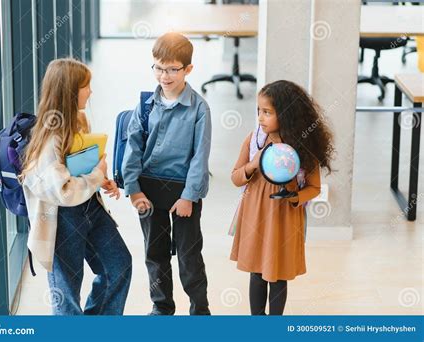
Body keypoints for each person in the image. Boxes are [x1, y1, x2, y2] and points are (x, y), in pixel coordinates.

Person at [21, 58, 132, 315]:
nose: (91, 91)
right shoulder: (49, 137)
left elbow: (80, 168)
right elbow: (63, 192)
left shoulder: (78, 121)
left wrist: (99, 180)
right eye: (86, 86)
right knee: (67, 294)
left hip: (90, 208)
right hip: (62, 218)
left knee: (118, 266)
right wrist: (96, 175)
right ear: (70, 91)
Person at [122, 32, 212, 315]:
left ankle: (200, 310)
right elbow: (133, 147)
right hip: (148, 189)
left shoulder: (200, 109)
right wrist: (133, 188)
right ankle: (161, 307)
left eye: (173, 69)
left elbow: (200, 157)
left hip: (184, 190)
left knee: (188, 255)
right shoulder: (146, 104)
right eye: (159, 68)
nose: (164, 75)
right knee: (155, 252)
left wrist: (189, 197)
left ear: (188, 69)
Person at [230, 80, 335, 315]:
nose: (260, 117)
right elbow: (235, 177)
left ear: (286, 115)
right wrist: (252, 165)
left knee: (278, 275)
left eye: (267, 112)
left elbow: (314, 187)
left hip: (285, 217)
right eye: (259, 111)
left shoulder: (302, 147)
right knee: (257, 272)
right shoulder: (254, 140)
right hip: (255, 214)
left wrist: (295, 197)